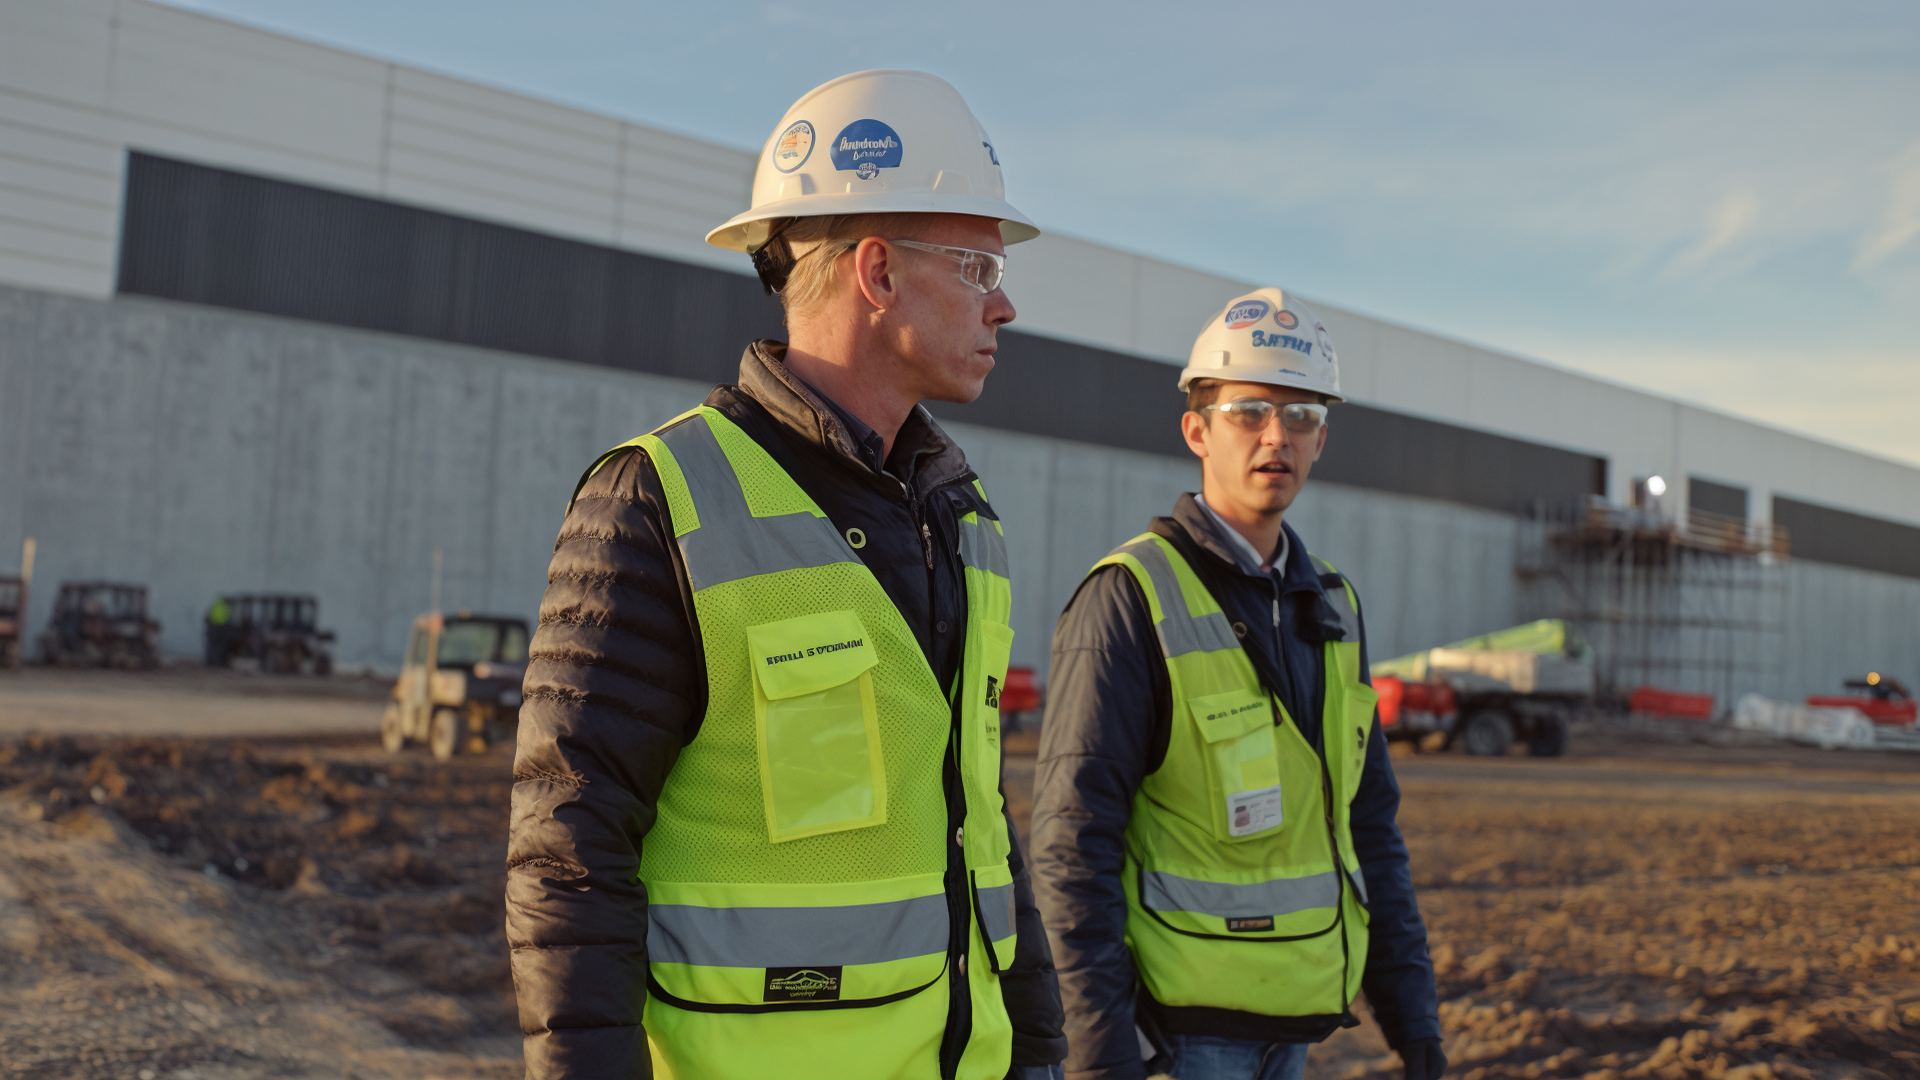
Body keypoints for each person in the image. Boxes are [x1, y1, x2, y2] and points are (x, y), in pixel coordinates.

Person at [506, 69, 1067, 1080]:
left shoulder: (964, 519)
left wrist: (1037, 1051)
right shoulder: (660, 500)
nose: (1007, 305)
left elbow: (978, 827)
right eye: (979, 268)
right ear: (879, 273)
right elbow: (570, 853)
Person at [1030, 289, 1445, 1080]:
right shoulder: (1131, 598)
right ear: (1197, 430)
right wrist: (1099, 1054)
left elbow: (1370, 828)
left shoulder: (1334, 606)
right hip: (1174, 1040)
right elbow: (1070, 849)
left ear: (1323, 439)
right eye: (1248, 411)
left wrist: (1411, 1014)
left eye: (1301, 417)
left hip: (1293, 1028)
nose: (1275, 437)